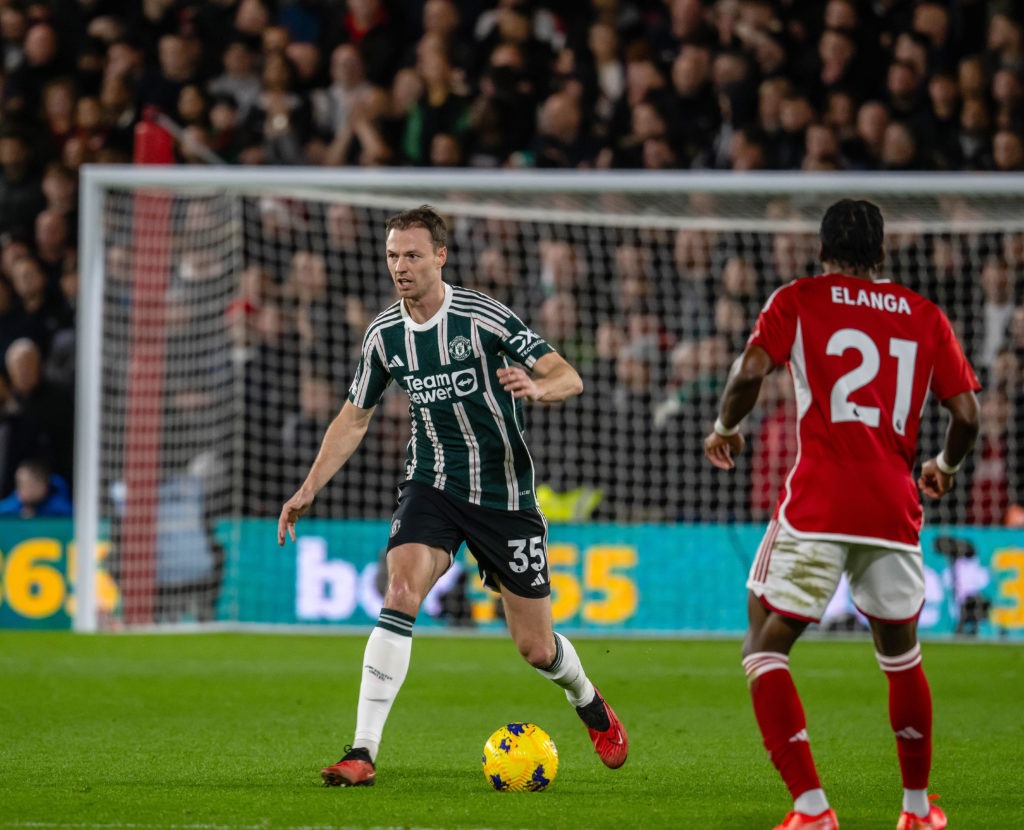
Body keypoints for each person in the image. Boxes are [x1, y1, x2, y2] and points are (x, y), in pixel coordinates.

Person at [278, 205, 628, 787]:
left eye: (412, 255)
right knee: (400, 586)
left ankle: (589, 700)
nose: (401, 267)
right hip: (432, 485)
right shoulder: (384, 335)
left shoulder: (483, 317)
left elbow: (570, 374)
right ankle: (362, 752)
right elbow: (354, 417)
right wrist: (308, 487)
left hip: (504, 495)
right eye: (393, 256)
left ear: (440, 257)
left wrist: (539, 390)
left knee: (536, 649)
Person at [703, 199, 980, 830]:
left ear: (821, 249)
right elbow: (967, 416)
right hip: (893, 504)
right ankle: (916, 811)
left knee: (764, 644)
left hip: (821, 500)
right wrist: (944, 466)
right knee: (901, 656)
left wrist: (725, 427)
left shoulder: (799, 299)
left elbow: (750, 369)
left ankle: (811, 808)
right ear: (882, 255)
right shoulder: (925, 315)